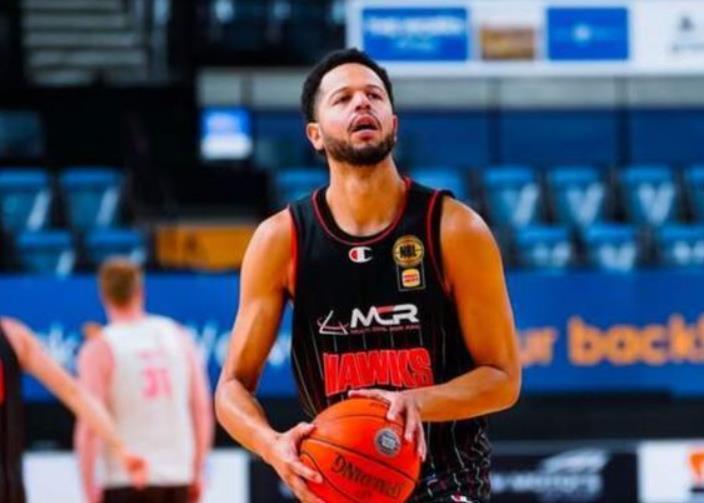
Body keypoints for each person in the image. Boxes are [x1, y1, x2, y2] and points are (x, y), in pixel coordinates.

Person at [215, 48, 521, 503]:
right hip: (343, 480)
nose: (362, 103)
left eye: (374, 95)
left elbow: (503, 378)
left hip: (447, 478)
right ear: (315, 135)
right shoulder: (281, 239)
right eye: (342, 98)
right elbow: (231, 388)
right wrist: (272, 445)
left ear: (393, 123)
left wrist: (417, 401)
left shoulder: (454, 228)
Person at [75, 259, 213, 503]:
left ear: (103, 296)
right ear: (140, 291)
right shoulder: (178, 335)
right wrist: (198, 468)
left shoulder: (101, 347)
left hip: (126, 478)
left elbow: (90, 424)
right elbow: (201, 408)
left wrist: (88, 485)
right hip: (177, 475)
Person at [0, 316, 147, 503]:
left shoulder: (13, 337)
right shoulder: (13, 335)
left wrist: (120, 446)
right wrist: (120, 446)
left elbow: (73, 392)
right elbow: (73, 392)